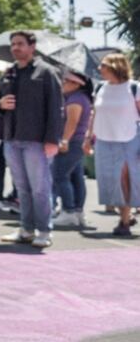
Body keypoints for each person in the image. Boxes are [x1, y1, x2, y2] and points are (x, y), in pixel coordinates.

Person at [0, 31, 64, 248]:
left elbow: (56, 108)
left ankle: (44, 230)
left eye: (20, 44)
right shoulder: (9, 72)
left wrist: (52, 139)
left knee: (40, 188)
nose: (15, 48)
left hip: (36, 139)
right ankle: (26, 229)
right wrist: (0, 105)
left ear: (32, 46)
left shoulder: (47, 72)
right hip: (12, 137)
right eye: (13, 44)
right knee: (21, 188)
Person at [84, 54, 140, 237]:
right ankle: (126, 213)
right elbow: (94, 113)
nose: (100, 69)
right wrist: (88, 137)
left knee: (124, 180)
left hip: (129, 139)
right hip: (104, 139)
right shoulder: (100, 87)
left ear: (116, 66)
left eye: (103, 65)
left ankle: (124, 221)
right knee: (108, 180)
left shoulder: (134, 87)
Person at [51, 71, 93, 228]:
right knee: (76, 177)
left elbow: (72, 122)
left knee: (60, 175)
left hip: (72, 142)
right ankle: (77, 212)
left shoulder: (75, 99)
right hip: (76, 142)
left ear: (76, 84)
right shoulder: (80, 98)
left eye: (67, 81)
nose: (63, 83)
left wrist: (64, 140)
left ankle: (69, 211)